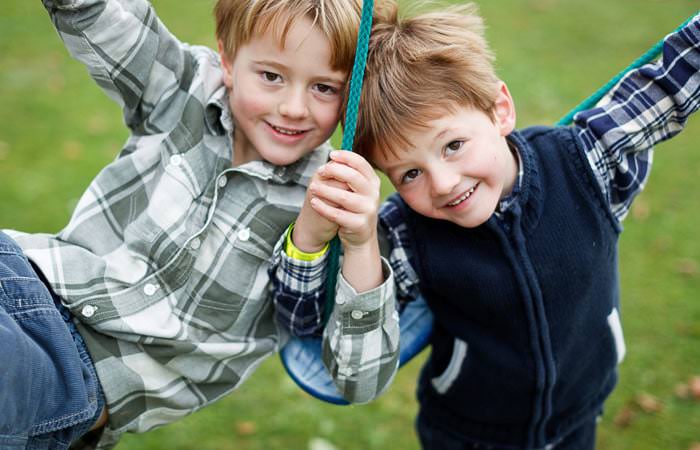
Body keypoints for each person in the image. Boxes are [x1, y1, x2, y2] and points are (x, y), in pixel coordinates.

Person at [273, 1, 700, 448]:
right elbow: (342, 363)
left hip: (578, 418)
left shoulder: (583, 163)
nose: (442, 183)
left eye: (453, 145)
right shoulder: (406, 234)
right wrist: (357, 244)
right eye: (409, 174)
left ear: (500, 110)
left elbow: (667, 86)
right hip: (465, 435)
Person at [0, 0, 399, 449]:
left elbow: (359, 379)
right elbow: (97, 15)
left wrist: (361, 243)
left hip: (74, 376)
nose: (292, 107)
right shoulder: (185, 90)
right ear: (228, 61)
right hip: (22, 281)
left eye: (325, 88)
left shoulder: (336, 202)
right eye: (271, 76)